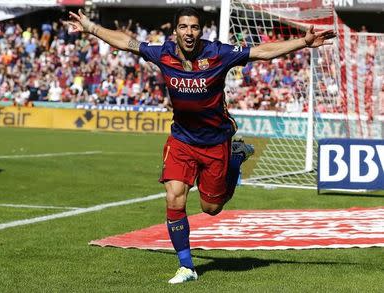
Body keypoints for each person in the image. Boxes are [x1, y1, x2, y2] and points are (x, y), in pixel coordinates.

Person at [64, 7, 335, 284]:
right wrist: (91, 27)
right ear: (175, 31)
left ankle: (235, 158)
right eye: (183, 27)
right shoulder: (163, 53)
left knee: (211, 208)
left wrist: (304, 41)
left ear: (201, 31)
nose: (189, 33)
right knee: (174, 196)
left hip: (216, 142)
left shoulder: (219, 53)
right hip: (181, 140)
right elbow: (127, 43)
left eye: (194, 27)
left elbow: (261, 52)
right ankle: (186, 266)